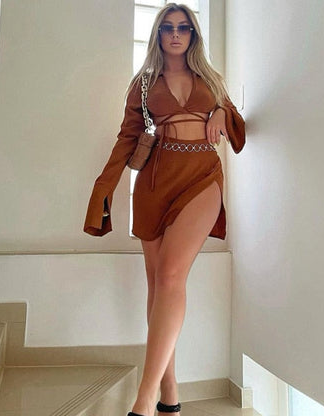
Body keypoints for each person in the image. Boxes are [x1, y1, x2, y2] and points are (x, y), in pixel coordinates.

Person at [83, 3, 245, 416]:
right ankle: (169, 394)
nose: (176, 34)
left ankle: (143, 400)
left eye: (184, 28)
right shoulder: (143, 83)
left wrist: (222, 109)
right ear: (158, 35)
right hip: (154, 184)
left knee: (172, 275)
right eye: (168, 27)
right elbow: (127, 137)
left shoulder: (211, 79)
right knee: (158, 286)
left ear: (193, 35)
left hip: (202, 177)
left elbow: (238, 131)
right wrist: (104, 187)